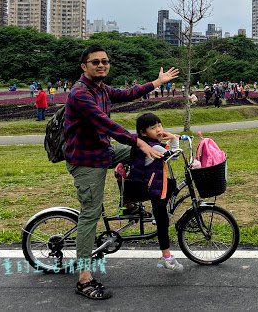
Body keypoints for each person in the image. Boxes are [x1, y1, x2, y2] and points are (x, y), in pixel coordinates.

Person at [64, 44, 178, 300]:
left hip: (103, 151)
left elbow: (128, 93)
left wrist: (156, 82)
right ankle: (83, 278)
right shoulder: (80, 93)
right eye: (95, 62)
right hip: (85, 160)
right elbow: (105, 123)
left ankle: (129, 202)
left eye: (105, 61)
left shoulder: (102, 89)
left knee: (148, 154)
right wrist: (138, 141)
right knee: (90, 214)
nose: (101, 65)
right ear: (85, 66)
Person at [128, 113, 184, 272]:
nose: (159, 129)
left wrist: (170, 138)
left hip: (154, 184)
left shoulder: (149, 143)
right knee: (162, 221)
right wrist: (173, 138)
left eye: (160, 125)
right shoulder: (154, 146)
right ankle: (167, 257)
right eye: (153, 128)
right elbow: (174, 156)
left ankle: (157, 215)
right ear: (143, 133)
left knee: (171, 185)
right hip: (153, 188)